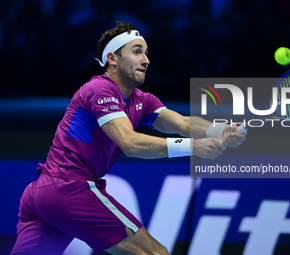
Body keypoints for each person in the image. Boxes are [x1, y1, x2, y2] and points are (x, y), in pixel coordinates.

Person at [11, 21, 246, 255]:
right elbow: (130, 143)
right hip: (69, 187)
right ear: (112, 59)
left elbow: (182, 123)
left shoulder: (141, 100)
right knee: (155, 253)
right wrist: (193, 147)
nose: (146, 60)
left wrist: (219, 130)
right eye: (137, 52)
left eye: (146, 53)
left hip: (42, 194)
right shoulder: (99, 90)